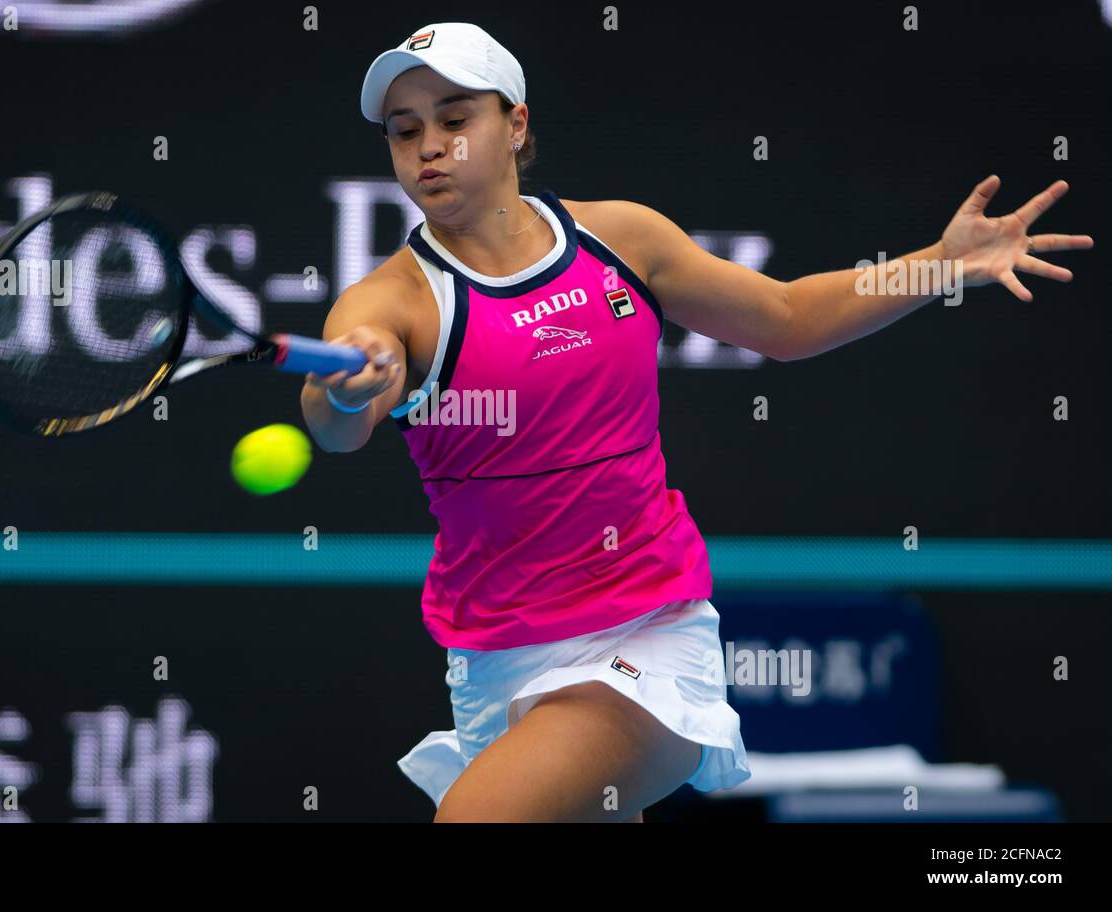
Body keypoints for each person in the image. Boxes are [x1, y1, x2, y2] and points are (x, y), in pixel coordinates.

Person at [299, 22, 1092, 822]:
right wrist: (347, 387)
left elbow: (785, 317)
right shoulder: (387, 302)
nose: (430, 147)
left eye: (454, 119)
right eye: (406, 132)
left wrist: (942, 263)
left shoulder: (621, 240)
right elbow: (337, 426)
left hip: (645, 632)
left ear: (516, 125)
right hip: (491, 659)